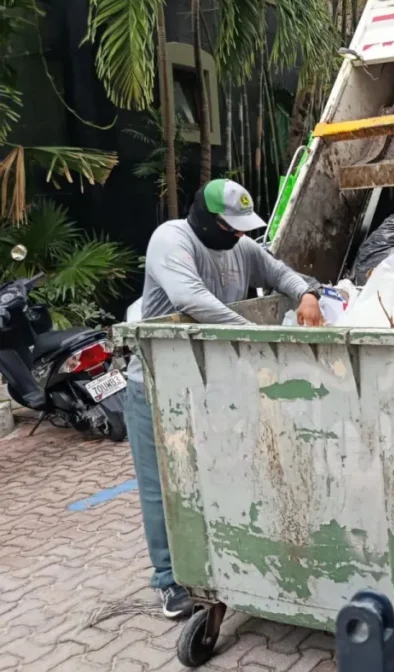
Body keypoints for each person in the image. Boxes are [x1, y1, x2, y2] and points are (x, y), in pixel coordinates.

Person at [124, 179, 324, 618]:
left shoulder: (242, 247)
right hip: (158, 382)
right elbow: (189, 298)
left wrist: (305, 294)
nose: (237, 235)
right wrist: (255, 338)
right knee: (163, 485)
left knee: (219, 473)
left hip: (215, 380)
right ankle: (167, 579)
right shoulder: (171, 238)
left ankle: (224, 561)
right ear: (205, 217)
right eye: (229, 226)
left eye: (241, 228)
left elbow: (278, 272)